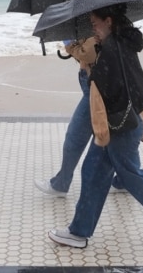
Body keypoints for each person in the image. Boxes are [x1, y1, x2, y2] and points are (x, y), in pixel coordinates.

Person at [47, 4, 143, 255]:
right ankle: (79, 232)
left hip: (121, 128)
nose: (92, 28)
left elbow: (115, 91)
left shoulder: (113, 50)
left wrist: (92, 72)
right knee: (93, 171)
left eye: (94, 23)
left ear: (108, 21)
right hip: (121, 124)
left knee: (131, 175)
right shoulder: (119, 43)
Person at [33, 34, 126, 196]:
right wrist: (75, 47)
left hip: (96, 85)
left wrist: (73, 47)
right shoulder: (87, 22)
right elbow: (85, 52)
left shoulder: (93, 22)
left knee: (75, 137)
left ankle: (61, 184)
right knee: (115, 135)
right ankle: (124, 181)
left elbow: (87, 54)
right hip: (94, 81)